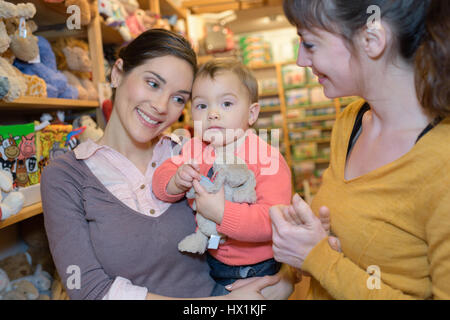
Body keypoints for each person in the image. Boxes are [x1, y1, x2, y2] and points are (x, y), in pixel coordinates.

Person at [40, 29, 285, 300]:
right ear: (118, 73)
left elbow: (266, 215)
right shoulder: (65, 176)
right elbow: (88, 289)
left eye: (179, 98)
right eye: (153, 84)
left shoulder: (194, 152)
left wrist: (284, 275)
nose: (160, 106)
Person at [270, 0, 450, 299]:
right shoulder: (350, 122)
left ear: (372, 40)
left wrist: (316, 256)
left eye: (310, 44)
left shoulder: (442, 162)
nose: (301, 60)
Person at [152, 58, 292, 295]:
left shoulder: (266, 158)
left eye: (226, 103)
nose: (213, 114)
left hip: (257, 267)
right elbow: (160, 177)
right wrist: (176, 180)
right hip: (211, 259)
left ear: (252, 113)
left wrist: (221, 213)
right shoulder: (194, 148)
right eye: (202, 106)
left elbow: (272, 219)